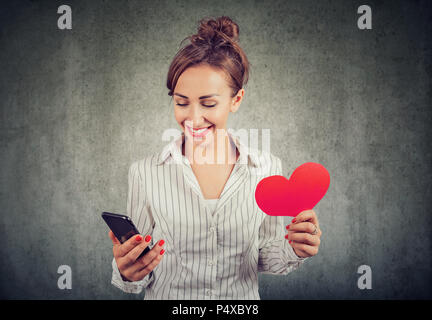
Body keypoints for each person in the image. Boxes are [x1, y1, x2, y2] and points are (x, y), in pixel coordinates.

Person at [108, 16, 322, 300]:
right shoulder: (145, 172)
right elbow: (139, 268)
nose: (193, 118)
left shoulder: (267, 168)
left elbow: (263, 258)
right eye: (181, 102)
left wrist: (295, 248)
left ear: (236, 100)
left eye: (208, 103)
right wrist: (127, 271)